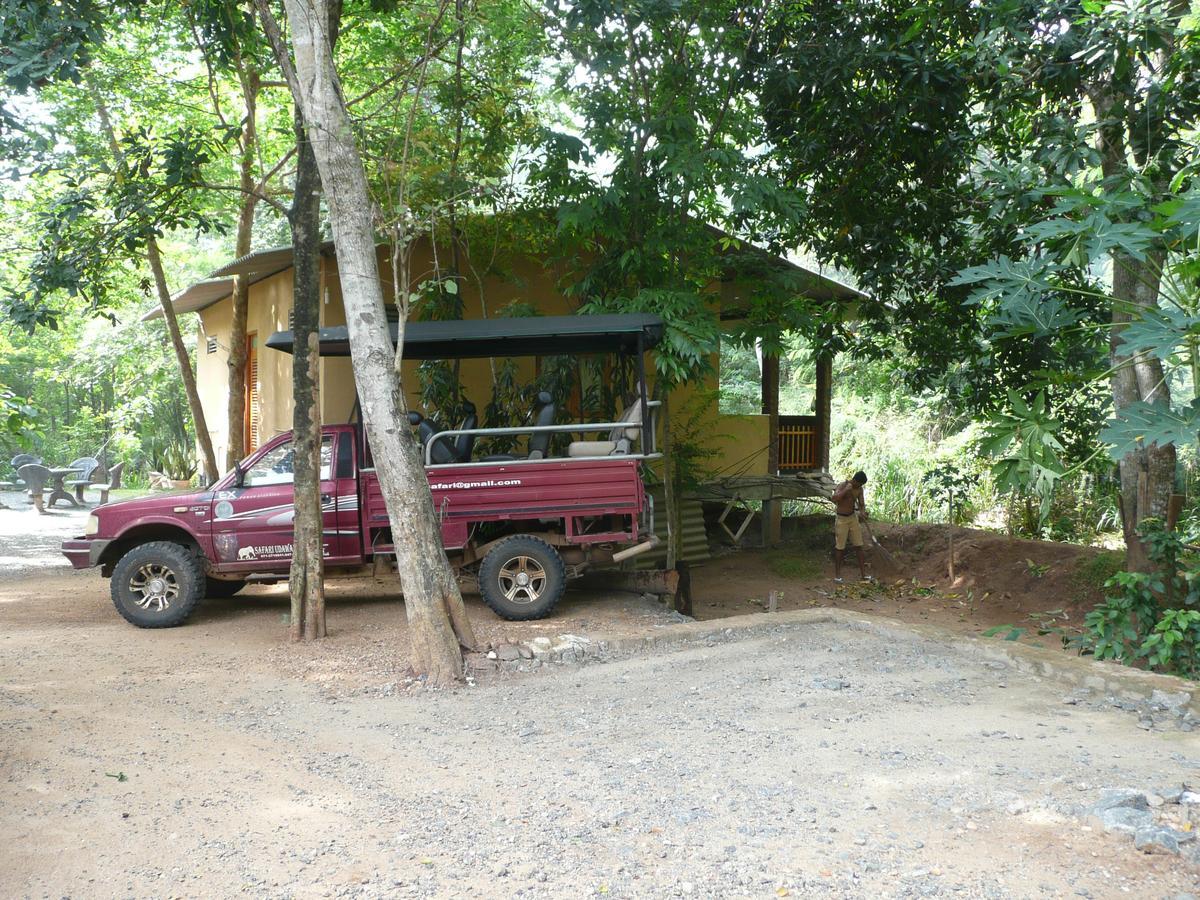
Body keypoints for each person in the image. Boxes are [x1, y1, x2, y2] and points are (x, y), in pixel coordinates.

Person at [831, 470, 868, 582]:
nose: (860, 486)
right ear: (855, 480)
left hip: (853, 518)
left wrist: (863, 512)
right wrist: (846, 490)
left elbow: (861, 504)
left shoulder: (859, 489)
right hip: (841, 519)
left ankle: (863, 575)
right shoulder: (843, 485)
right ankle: (838, 576)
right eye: (859, 484)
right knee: (840, 547)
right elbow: (835, 498)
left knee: (859, 546)